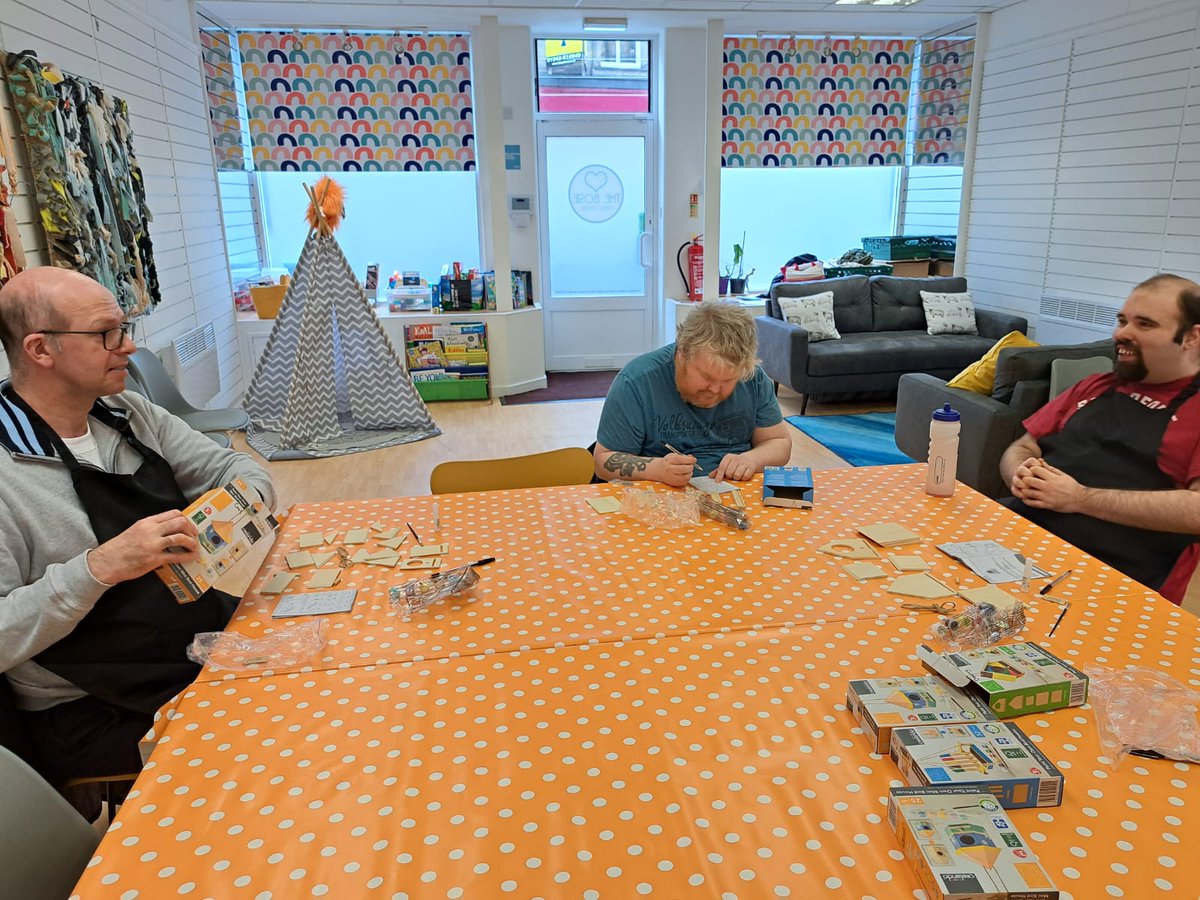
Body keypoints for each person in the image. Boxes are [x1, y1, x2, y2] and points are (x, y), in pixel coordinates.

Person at [0, 267, 276, 787]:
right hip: (90, 707)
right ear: (40, 349)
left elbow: (235, 471)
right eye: (107, 333)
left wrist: (231, 513)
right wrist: (101, 567)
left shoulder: (123, 411)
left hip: (186, 645)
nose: (127, 347)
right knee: (272, 753)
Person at [999, 273, 1200, 603]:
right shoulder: (1097, 385)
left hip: (1115, 578)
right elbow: (1023, 444)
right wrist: (1019, 472)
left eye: (1145, 324)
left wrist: (1079, 498)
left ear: (1191, 337)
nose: (1123, 333)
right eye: (1122, 321)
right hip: (1020, 539)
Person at [594, 300, 792, 485]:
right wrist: (656, 469)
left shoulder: (753, 378)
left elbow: (779, 442)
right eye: (706, 377)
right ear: (682, 353)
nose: (715, 389)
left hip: (737, 493)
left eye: (728, 381)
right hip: (661, 499)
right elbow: (603, 461)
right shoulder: (637, 381)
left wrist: (751, 459)